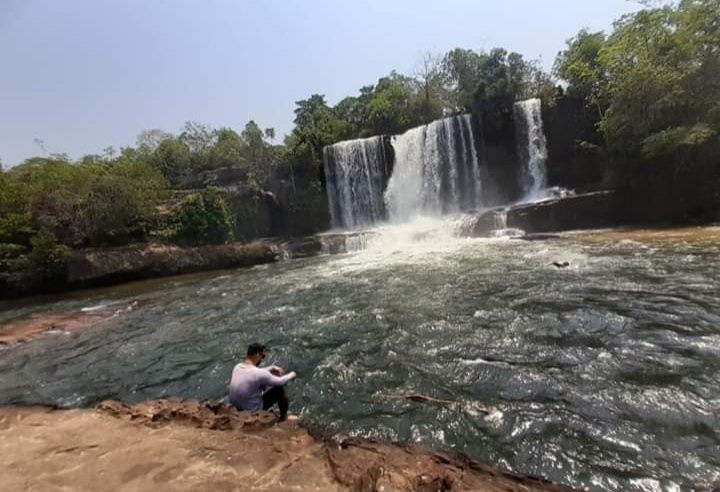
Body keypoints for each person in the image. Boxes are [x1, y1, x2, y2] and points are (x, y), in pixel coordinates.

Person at [229, 342, 296, 421]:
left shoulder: (237, 367)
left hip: (238, 408)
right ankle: (283, 418)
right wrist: (292, 374)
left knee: (261, 385)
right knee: (279, 389)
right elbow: (280, 381)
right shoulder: (258, 373)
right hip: (252, 411)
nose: (262, 359)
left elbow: (253, 373)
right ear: (257, 355)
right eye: (262, 356)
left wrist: (271, 367)